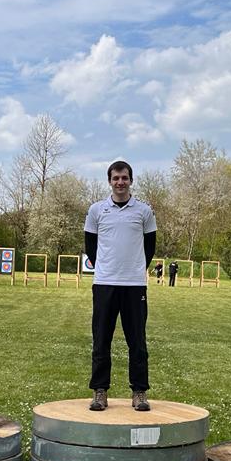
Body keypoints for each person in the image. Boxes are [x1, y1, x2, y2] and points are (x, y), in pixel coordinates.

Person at [84, 160, 157, 412]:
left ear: (131, 180)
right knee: (101, 339)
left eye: (124, 178)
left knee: (137, 341)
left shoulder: (144, 211)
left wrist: (134, 269)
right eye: (115, 178)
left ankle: (139, 392)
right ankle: (100, 391)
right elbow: (90, 246)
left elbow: (150, 247)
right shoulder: (96, 210)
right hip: (104, 283)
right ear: (109, 181)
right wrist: (106, 267)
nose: (120, 182)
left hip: (134, 285)